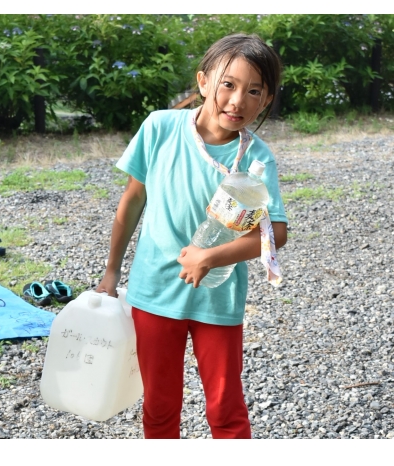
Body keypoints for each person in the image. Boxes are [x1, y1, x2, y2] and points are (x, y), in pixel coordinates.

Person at [96, 33, 288, 439]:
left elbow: (275, 234)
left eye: (254, 91)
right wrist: (111, 270)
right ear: (203, 82)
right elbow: (132, 202)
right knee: (159, 404)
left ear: (266, 100)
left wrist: (211, 258)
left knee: (225, 408)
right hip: (154, 294)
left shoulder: (256, 158)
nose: (238, 101)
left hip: (219, 297)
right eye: (228, 85)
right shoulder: (160, 128)